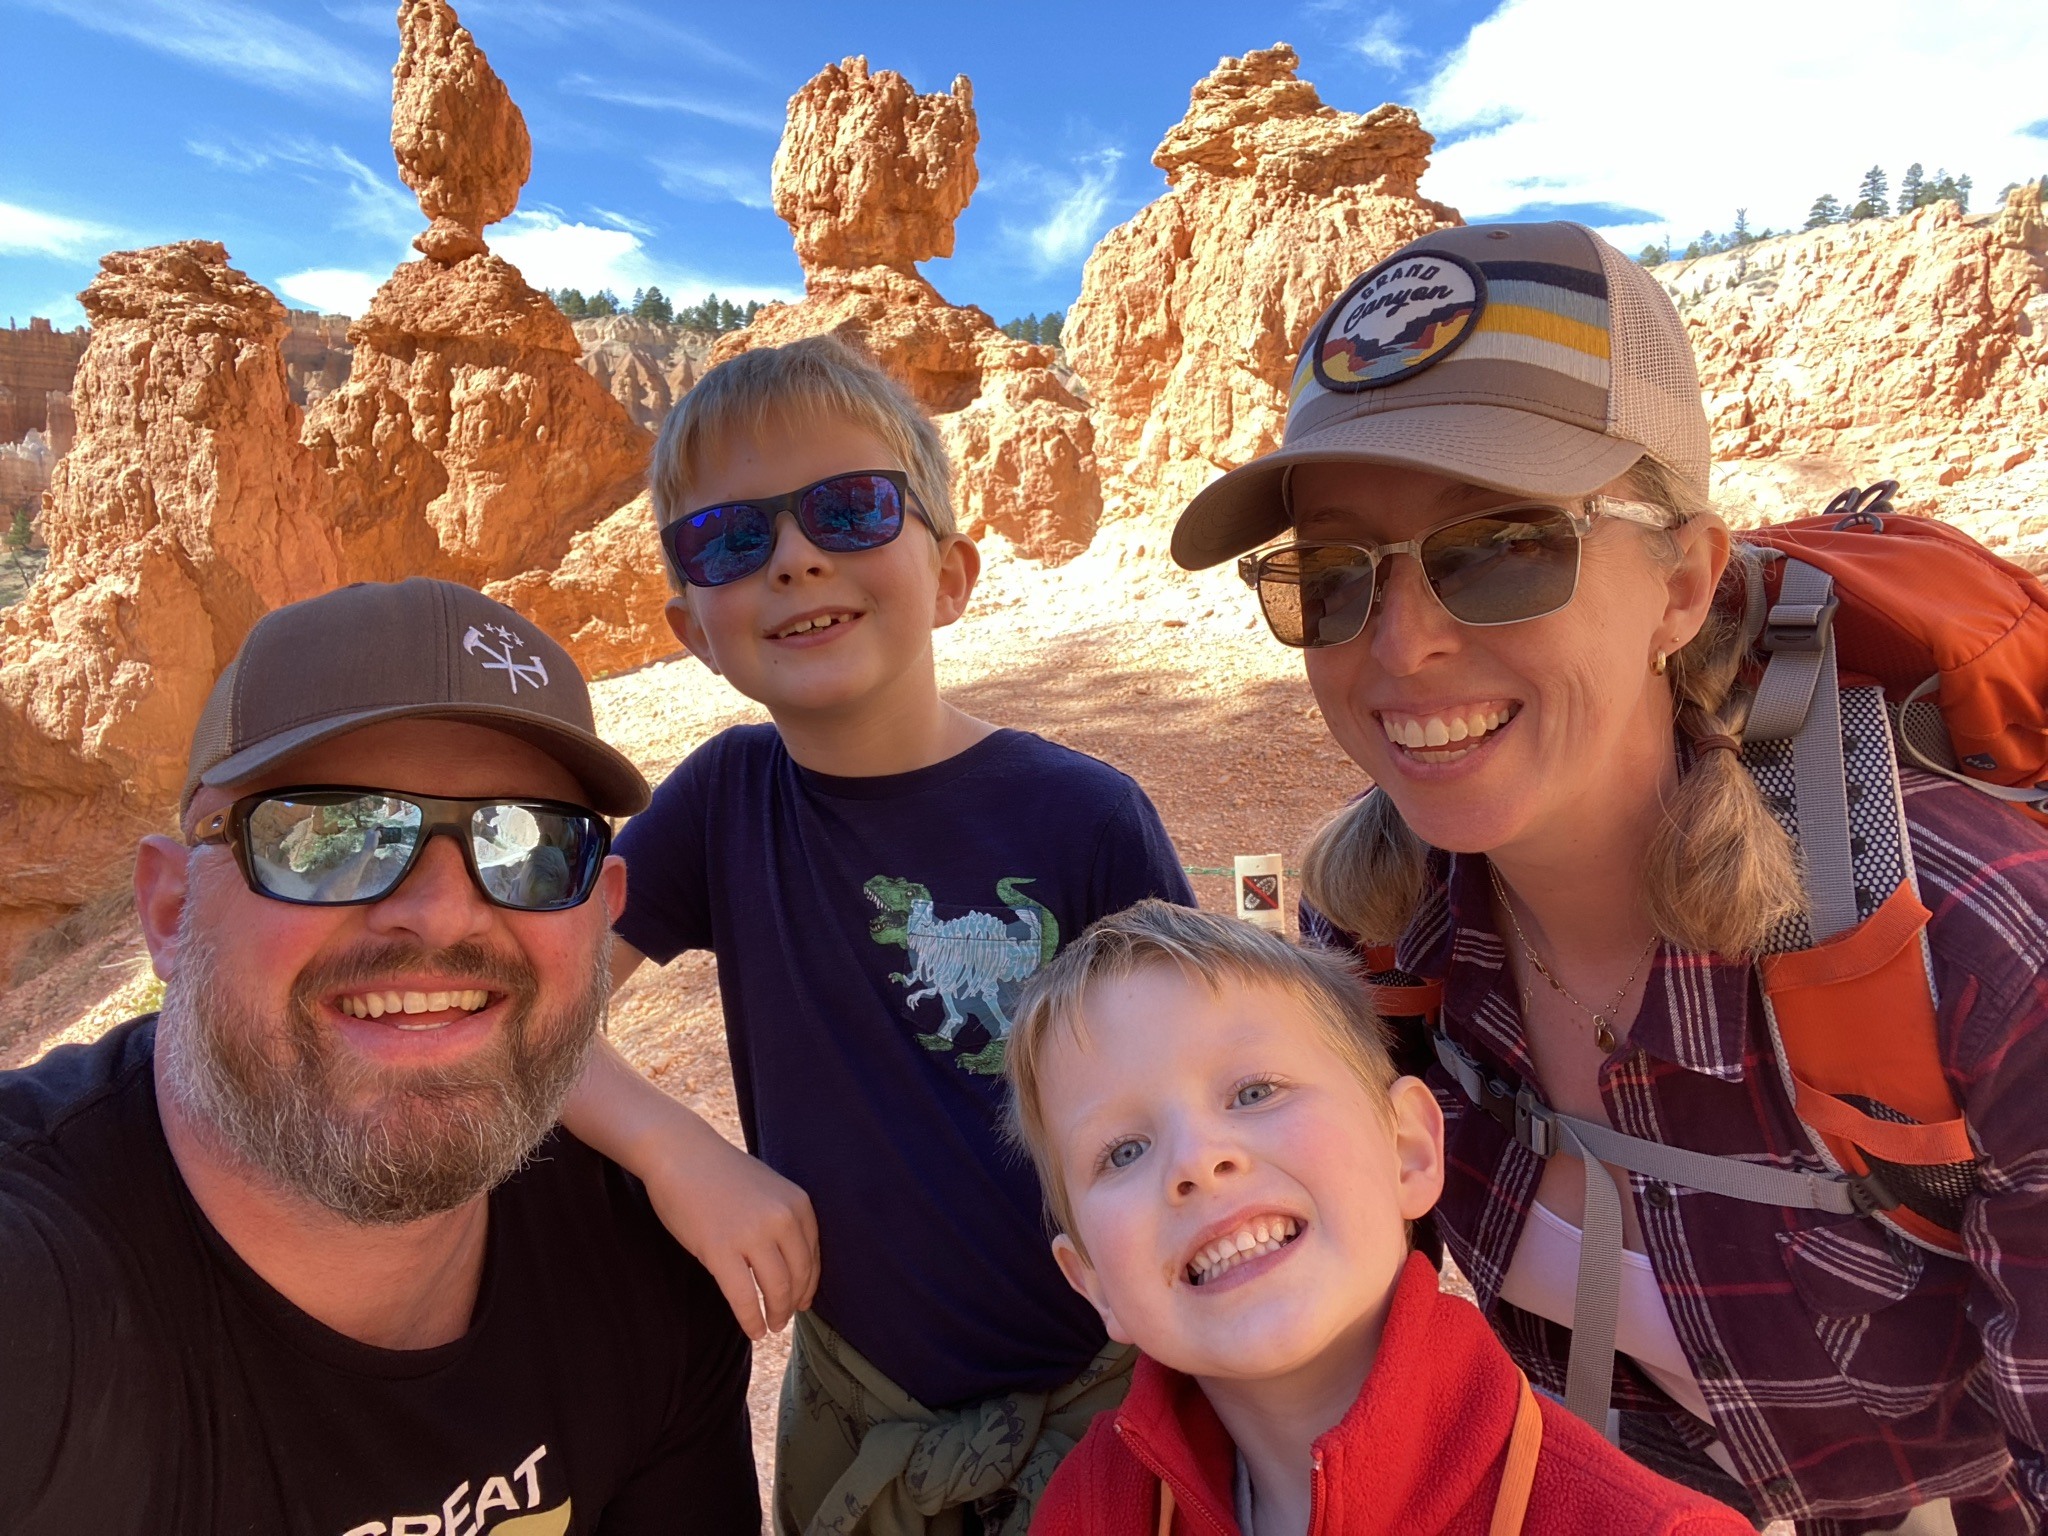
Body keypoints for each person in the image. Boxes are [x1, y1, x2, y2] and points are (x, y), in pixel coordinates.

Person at [1166, 219, 2048, 1534]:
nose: (1401, 646)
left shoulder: (1974, 954)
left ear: (1683, 582)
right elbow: (1343, 1351)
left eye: (1501, 547)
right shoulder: (1372, 936)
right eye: (1334, 578)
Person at [552, 334, 1197, 1536]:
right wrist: (673, 1150)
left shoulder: (1083, 816)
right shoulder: (723, 801)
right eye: (732, 540)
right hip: (861, 1419)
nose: (794, 557)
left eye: (849, 511)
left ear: (950, 573)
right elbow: (530, 1004)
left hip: (1106, 1400)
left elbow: (1197, 1097)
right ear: (692, 624)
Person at [0, 579, 758, 1536]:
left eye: (526, 845)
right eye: (332, 836)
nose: (443, 912)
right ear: (170, 912)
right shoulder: (38, 1302)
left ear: (600, 910)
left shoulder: (644, 1273)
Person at [1008, 899, 1752, 1536]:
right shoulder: (1092, 1507)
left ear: (1408, 1152)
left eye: (1255, 1092)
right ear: (1095, 1283)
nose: (1197, 1162)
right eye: (1124, 1149)